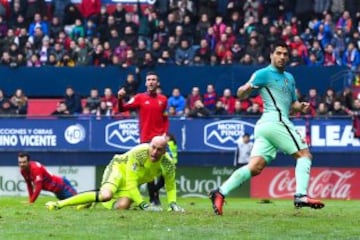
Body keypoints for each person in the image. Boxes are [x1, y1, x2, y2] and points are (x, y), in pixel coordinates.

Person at [209, 41, 325, 216]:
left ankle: (220, 192)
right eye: (278, 53)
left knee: (255, 166)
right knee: (304, 155)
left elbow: (291, 104)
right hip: (275, 121)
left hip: (265, 126)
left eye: (285, 54)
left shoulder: (289, 78)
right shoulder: (263, 73)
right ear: (271, 55)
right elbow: (242, 92)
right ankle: (301, 195)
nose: (282, 57)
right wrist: (244, 90)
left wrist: (300, 107)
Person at [45, 136, 184, 212]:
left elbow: (170, 186)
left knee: (122, 207)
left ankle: (93, 201)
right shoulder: (139, 153)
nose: (154, 152)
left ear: (164, 152)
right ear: (149, 145)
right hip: (118, 169)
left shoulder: (168, 164)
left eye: (159, 150)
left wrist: (172, 204)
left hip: (131, 182)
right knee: (106, 195)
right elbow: (130, 182)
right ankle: (58, 204)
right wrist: (143, 204)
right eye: (153, 147)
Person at [117, 71, 169, 206]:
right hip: (146, 140)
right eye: (149, 80)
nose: (151, 82)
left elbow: (165, 118)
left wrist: (165, 133)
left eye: (154, 79)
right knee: (149, 170)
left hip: (160, 139)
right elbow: (122, 108)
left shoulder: (163, 99)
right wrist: (119, 98)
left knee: (166, 169)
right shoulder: (139, 97)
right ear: (146, 83)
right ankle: (154, 198)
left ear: (157, 83)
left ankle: (155, 192)